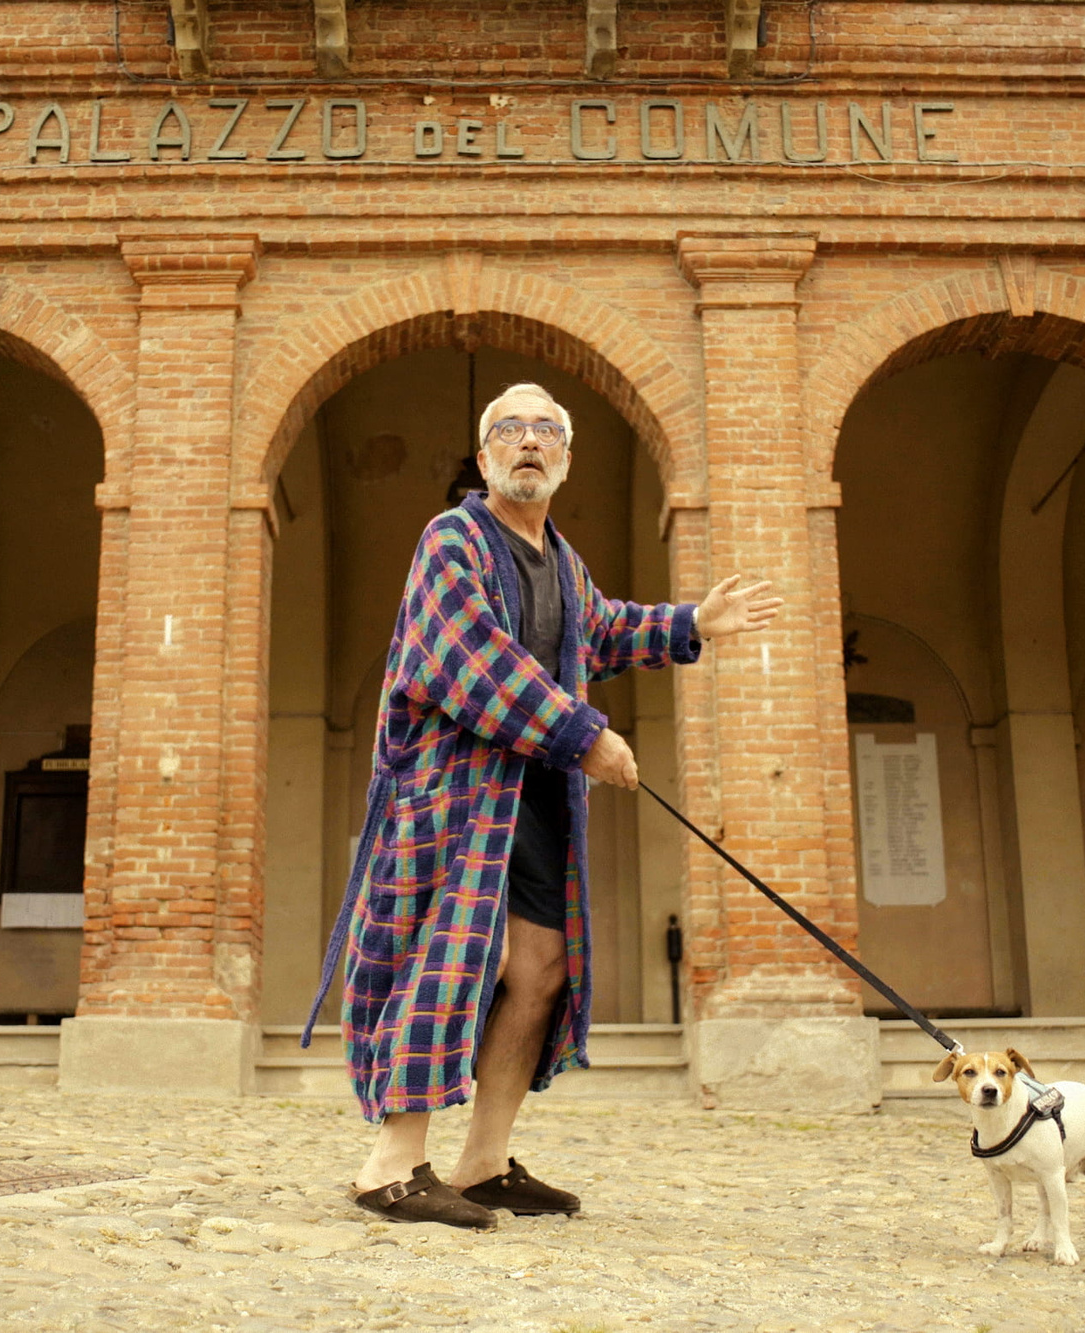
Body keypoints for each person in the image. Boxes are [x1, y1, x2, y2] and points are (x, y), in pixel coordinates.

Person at [302, 382, 783, 1228]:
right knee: (451, 958)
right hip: (449, 801)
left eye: (546, 431)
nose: (529, 440)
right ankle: (391, 1163)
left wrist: (693, 622)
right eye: (509, 429)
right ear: (484, 457)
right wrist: (586, 734)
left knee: (540, 968)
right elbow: (467, 659)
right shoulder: (453, 538)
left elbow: (602, 629)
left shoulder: (563, 561)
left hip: (532, 804)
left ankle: (484, 1161)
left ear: (564, 460)